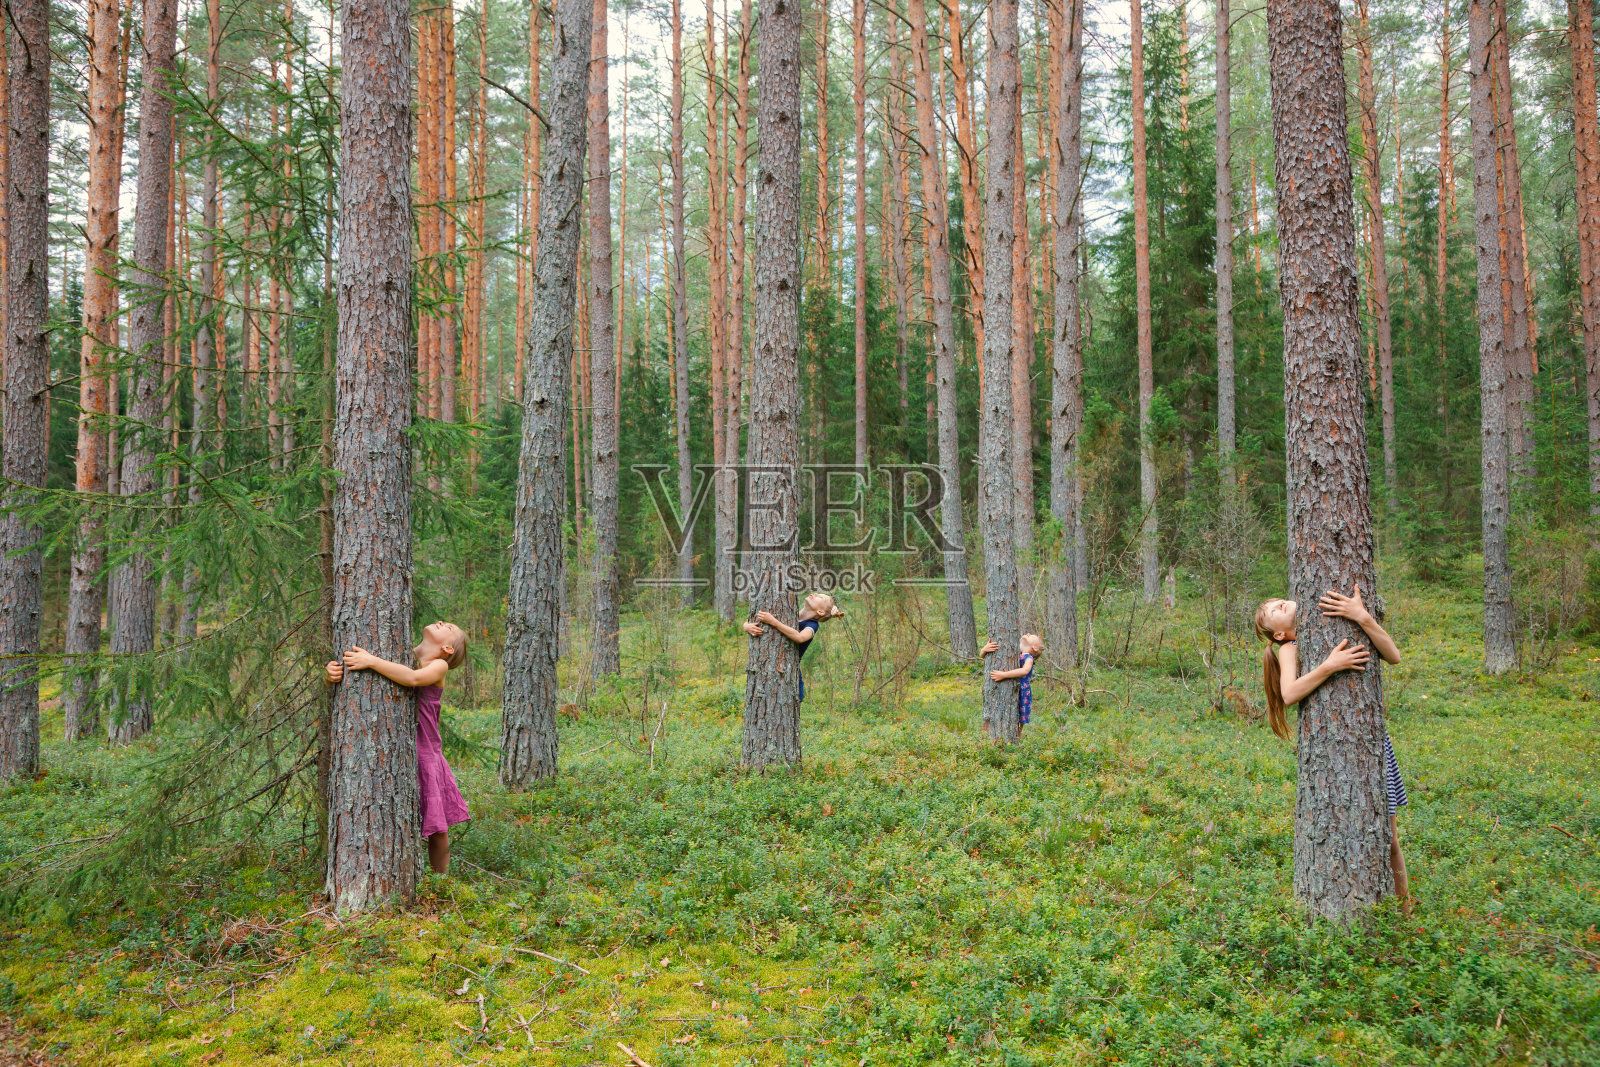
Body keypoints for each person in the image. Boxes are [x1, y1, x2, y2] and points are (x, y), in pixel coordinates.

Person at [1256, 585, 1411, 908]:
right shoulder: (1289, 648)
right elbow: (1289, 694)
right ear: (1281, 634)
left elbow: (1393, 656)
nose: (1278, 603)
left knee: (1391, 840)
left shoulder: (1341, 614)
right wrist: (1331, 665)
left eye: (1276, 601)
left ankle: (1405, 914)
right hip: (1335, 749)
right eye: (1273, 611)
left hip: (1373, 742)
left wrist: (1361, 615)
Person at [325, 621, 472, 875]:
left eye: (447, 626)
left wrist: (371, 661)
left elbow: (413, 679)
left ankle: (441, 881)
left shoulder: (438, 666)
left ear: (447, 648)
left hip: (425, 754)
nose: (441, 621)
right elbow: (391, 669)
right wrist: (330, 675)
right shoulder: (402, 654)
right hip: (399, 751)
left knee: (437, 827)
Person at [742, 593, 845, 700]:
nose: (815, 594)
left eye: (820, 597)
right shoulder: (791, 613)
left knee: (794, 710)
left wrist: (773, 622)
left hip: (791, 672)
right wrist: (746, 626)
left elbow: (800, 637)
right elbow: (754, 619)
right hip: (767, 667)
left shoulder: (812, 625)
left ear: (820, 612)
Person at [981, 633, 1042, 733]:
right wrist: (984, 650)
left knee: (1021, 714)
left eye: (1031, 636)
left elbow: (1024, 671)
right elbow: (984, 657)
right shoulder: (1015, 652)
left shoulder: (1029, 658)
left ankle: (1017, 735)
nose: (1028, 633)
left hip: (1023, 689)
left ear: (1034, 647)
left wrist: (1004, 675)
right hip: (1013, 686)